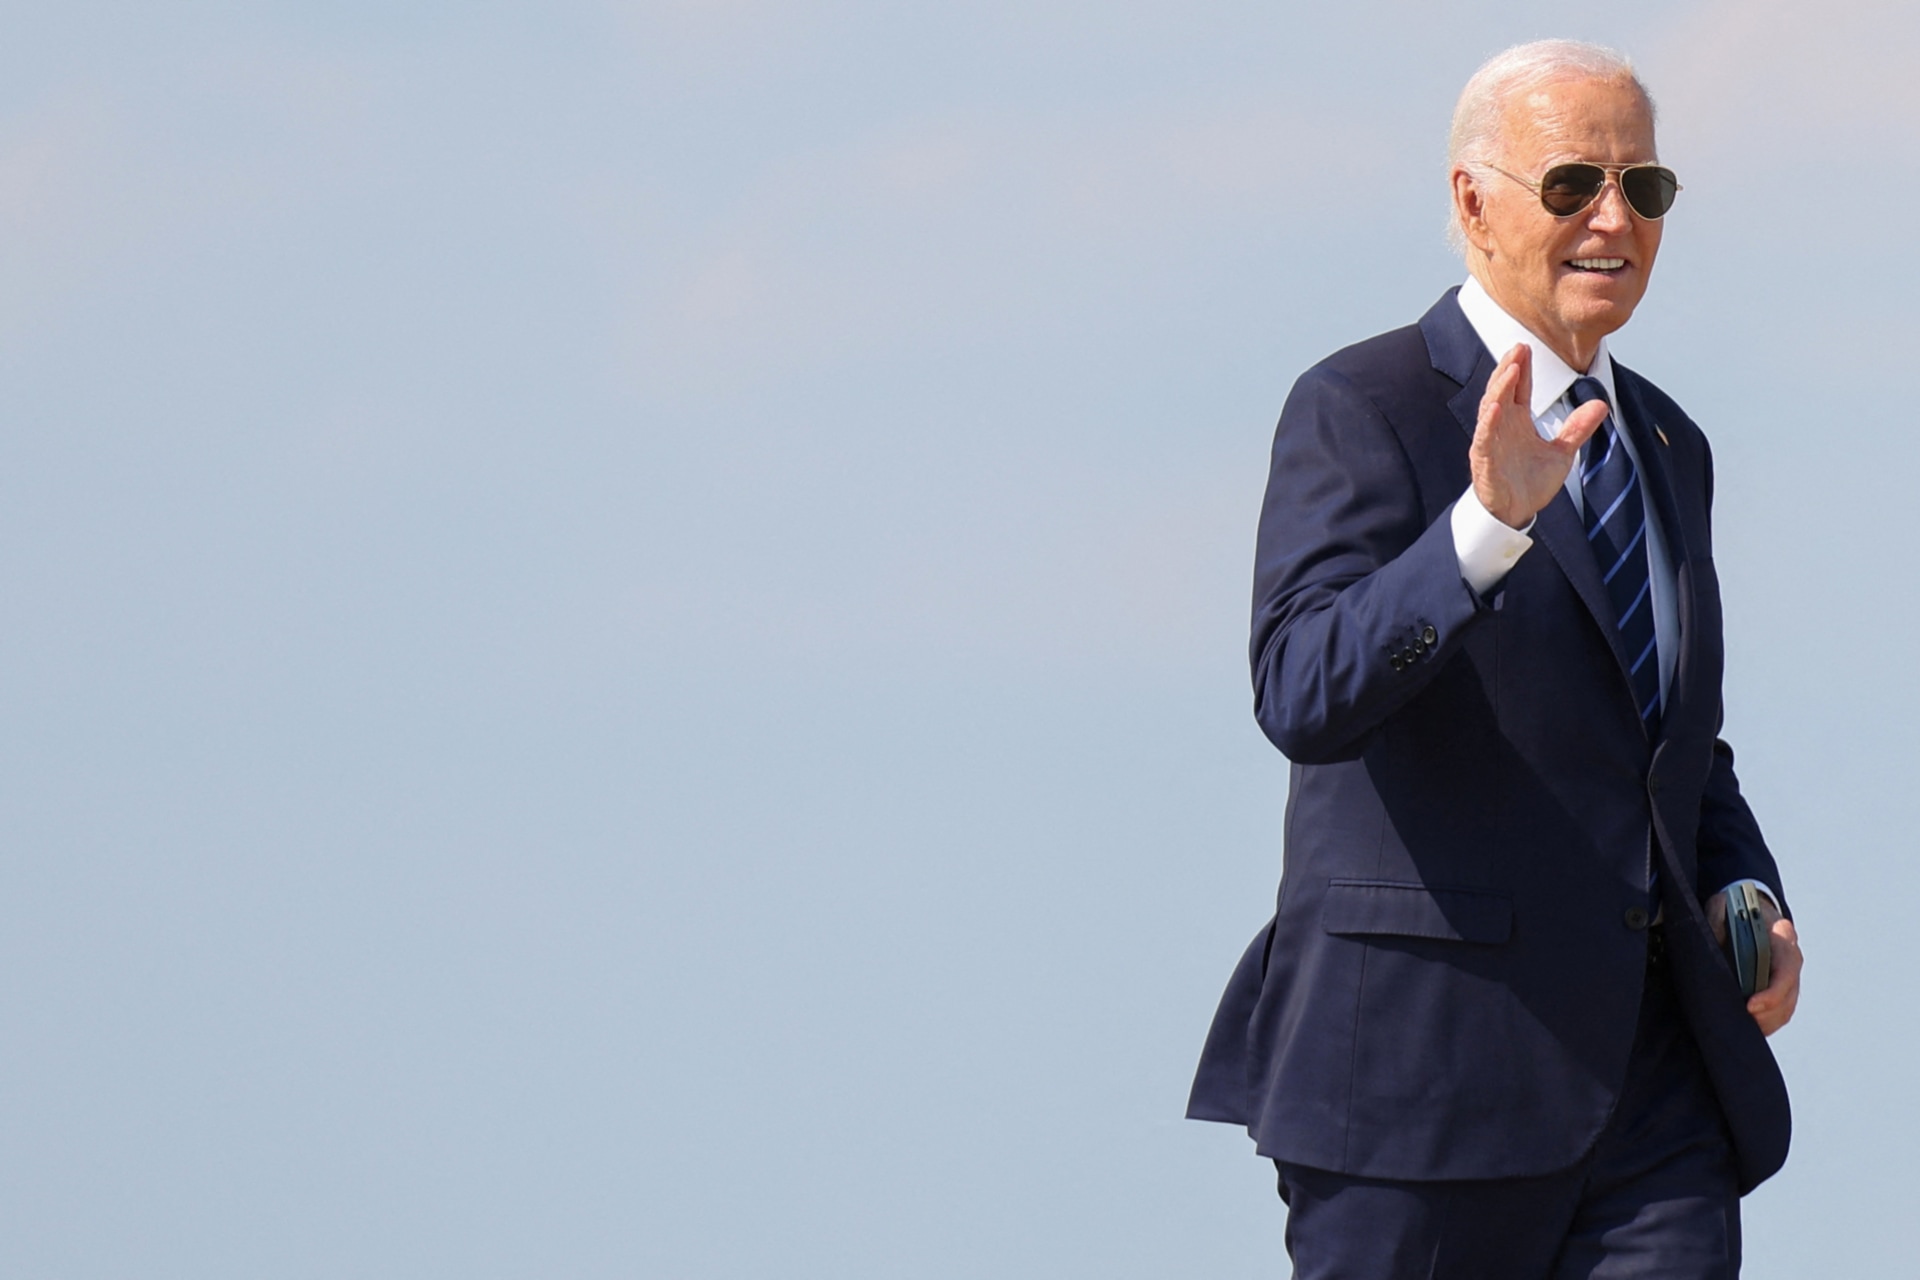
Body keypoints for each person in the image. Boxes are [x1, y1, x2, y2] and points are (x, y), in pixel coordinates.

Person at [1186, 40, 1803, 1278]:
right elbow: (1302, 686)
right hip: (1420, 1090)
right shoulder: (1363, 404)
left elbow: (1676, 743)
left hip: (1655, 1096)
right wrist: (1486, 527)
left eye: (1648, 188)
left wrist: (1751, 891)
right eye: (1573, 183)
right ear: (1474, 200)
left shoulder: (1671, 441)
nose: (1615, 220)